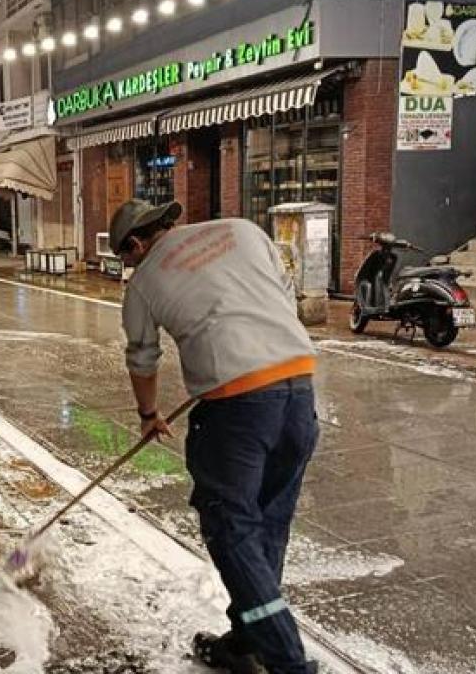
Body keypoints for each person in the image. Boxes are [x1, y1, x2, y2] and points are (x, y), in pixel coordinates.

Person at [109, 200, 318, 674]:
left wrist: (148, 414)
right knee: (266, 525)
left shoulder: (142, 282)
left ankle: (289, 665)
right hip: (299, 390)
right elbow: (283, 297)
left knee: (231, 531)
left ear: (137, 243)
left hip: (236, 408)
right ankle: (246, 642)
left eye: (126, 257)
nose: (130, 267)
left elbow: (142, 358)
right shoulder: (243, 230)